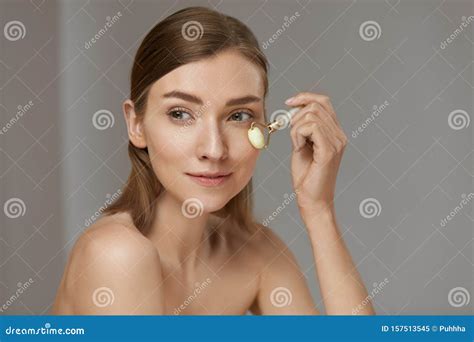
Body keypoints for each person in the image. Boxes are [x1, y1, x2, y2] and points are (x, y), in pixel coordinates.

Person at [52, 6, 374, 315]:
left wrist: (319, 210)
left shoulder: (255, 252)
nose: (214, 149)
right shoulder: (116, 254)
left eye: (238, 115)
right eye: (180, 114)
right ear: (136, 125)